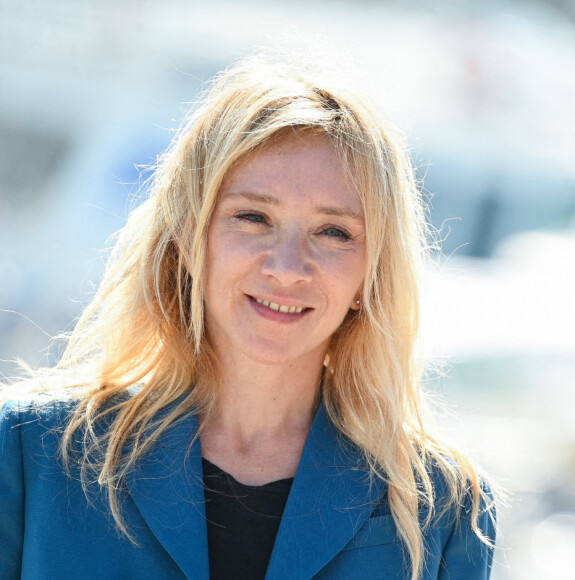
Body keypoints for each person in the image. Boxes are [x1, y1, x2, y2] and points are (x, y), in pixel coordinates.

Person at [0, 53, 496, 580]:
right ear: (190, 239)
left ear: (371, 275)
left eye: (334, 232)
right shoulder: (31, 456)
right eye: (253, 218)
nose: (287, 269)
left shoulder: (440, 507)